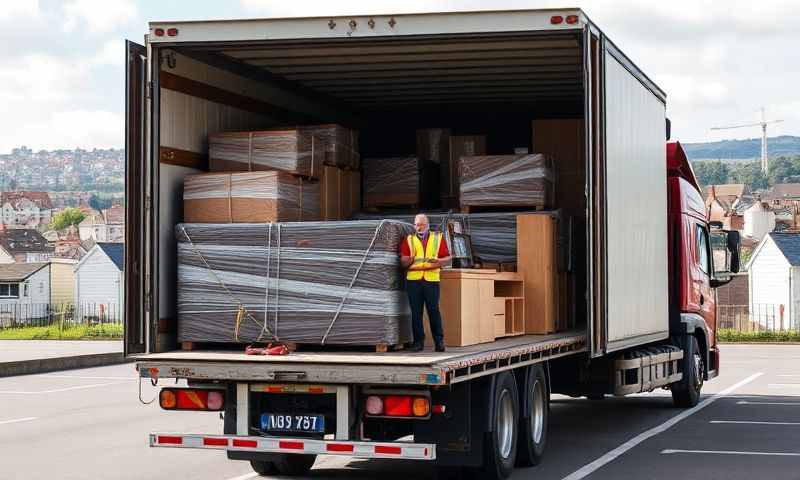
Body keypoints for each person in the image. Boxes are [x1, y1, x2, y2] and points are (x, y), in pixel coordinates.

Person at [399, 213, 451, 352]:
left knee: (433, 311)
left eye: (421, 224)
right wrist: (408, 260)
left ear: (427, 225)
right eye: (416, 224)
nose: (419, 227)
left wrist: (440, 262)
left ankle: (439, 342)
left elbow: (448, 258)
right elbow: (403, 260)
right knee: (416, 313)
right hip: (413, 281)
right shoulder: (409, 239)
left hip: (431, 280)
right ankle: (418, 343)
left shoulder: (437, 238)